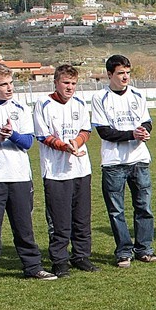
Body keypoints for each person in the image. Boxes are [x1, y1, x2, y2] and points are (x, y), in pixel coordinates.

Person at [91, 54, 156, 268]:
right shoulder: (99, 98)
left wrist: (144, 131)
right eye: (121, 73)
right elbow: (104, 132)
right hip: (114, 163)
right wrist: (133, 134)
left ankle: (145, 249)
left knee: (144, 207)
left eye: (128, 73)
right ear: (110, 74)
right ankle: (123, 252)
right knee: (116, 211)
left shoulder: (138, 95)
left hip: (139, 160)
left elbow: (147, 121)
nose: (125, 77)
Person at [0, 63, 57, 284]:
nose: (9, 88)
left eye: (11, 83)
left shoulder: (20, 108)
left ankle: (33, 267)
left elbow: (28, 142)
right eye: (3, 84)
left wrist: (12, 135)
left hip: (19, 177)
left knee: (24, 227)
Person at [33, 64, 99, 278]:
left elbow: (86, 130)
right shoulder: (43, 104)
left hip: (81, 169)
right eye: (66, 83)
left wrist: (77, 143)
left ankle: (81, 256)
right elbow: (43, 136)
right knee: (59, 219)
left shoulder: (80, 103)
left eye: (73, 83)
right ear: (56, 82)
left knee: (82, 217)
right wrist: (65, 146)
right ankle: (59, 260)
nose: (70, 87)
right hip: (55, 171)